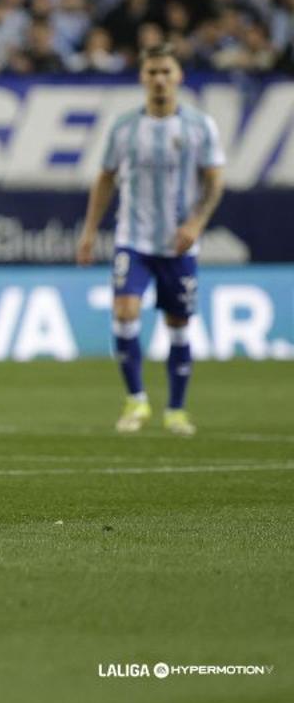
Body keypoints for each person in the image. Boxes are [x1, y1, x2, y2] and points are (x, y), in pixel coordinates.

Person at [77, 43, 225, 436]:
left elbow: (214, 181)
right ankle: (136, 399)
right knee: (125, 311)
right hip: (133, 239)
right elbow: (105, 178)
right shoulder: (125, 127)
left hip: (179, 244)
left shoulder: (200, 126)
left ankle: (176, 409)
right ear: (142, 77)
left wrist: (196, 223)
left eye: (166, 71)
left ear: (179, 76)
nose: (159, 79)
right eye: (152, 72)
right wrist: (89, 231)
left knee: (178, 323)